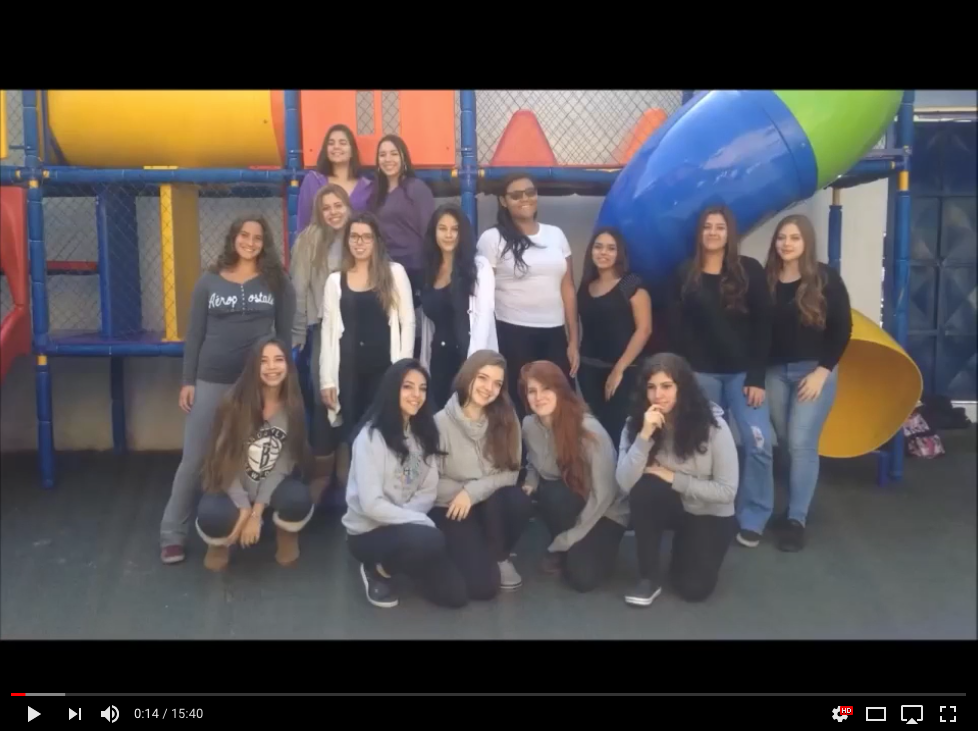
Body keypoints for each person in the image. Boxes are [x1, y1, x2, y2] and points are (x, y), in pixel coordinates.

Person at [160, 215, 296, 565]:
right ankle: (172, 534)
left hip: (257, 383)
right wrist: (188, 380)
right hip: (212, 378)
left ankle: (260, 521)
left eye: (257, 237)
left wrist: (281, 381)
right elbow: (195, 335)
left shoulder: (276, 280)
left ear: (264, 243)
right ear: (233, 238)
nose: (250, 242)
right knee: (194, 458)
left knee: (259, 455)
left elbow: (283, 336)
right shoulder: (209, 280)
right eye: (243, 235)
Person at [666, 204, 774, 549]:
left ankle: (754, 515)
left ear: (730, 234)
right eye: (707, 227)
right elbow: (675, 329)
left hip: (744, 377)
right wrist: (683, 377)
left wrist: (756, 376)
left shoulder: (750, 271)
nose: (713, 233)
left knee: (759, 444)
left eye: (720, 227)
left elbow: (764, 326)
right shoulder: (685, 273)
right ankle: (709, 512)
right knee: (701, 447)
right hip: (700, 377)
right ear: (699, 233)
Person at [342, 358, 468, 609]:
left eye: (422, 389)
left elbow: (426, 491)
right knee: (431, 539)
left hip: (406, 528)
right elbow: (371, 504)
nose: (416, 395)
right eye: (407, 387)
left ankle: (406, 558)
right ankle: (377, 569)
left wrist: (410, 521)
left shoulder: (422, 437)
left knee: (456, 595)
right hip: (368, 531)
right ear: (392, 389)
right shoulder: (370, 438)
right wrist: (418, 522)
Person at [615, 353, 739, 605]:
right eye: (651, 387)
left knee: (693, 589)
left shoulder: (713, 427)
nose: (658, 395)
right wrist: (644, 436)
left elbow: (727, 491)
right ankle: (648, 578)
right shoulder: (636, 424)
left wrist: (673, 477)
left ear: (682, 388)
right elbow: (625, 483)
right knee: (644, 489)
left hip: (708, 512)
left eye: (666, 386)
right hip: (672, 504)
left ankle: (685, 546)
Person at [764, 214, 853, 552]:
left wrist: (822, 371)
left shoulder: (825, 279)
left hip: (813, 372)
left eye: (794, 238)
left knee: (802, 443)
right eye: (781, 237)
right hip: (774, 373)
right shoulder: (766, 278)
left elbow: (842, 328)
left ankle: (796, 520)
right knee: (787, 441)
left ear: (807, 242)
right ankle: (792, 507)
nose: (786, 243)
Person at [195, 336, 314, 571]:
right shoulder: (234, 403)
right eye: (264, 361)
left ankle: (286, 537)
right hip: (232, 484)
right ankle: (220, 545)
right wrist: (244, 508)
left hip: (268, 486)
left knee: (297, 498)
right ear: (253, 367)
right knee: (212, 515)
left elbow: (282, 465)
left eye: (278, 359)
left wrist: (256, 512)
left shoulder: (293, 406)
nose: (272, 367)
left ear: (288, 365)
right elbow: (224, 462)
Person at [319, 211, 415, 489]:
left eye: (366, 237)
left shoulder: (394, 273)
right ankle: (357, 497)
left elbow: (408, 321)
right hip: (349, 371)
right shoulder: (335, 281)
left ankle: (388, 492)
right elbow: (328, 333)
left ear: (376, 241)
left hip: (385, 370)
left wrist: (404, 370)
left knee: (385, 432)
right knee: (353, 435)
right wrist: (327, 380)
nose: (359, 242)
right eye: (354, 237)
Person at [519, 360, 629, 592]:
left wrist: (565, 540)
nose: (539, 397)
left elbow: (605, 493)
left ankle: (580, 546)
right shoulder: (529, 426)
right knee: (552, 494)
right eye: (532, 391)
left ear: (560, 390)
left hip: (606, 511)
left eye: (546, 388)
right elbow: (534, 459)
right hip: (574, 498)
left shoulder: (588, 431)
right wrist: (531, 481)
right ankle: (571, 547)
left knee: (582, 579)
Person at [477, 173, 579, 419]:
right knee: (520, 405)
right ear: (503, 201)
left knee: (562, 405)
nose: (525, 199)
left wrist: (573, 340)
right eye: (516, 195)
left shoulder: (556, 235)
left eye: (530, 192)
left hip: (554, 333)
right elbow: (483, 295)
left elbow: (567, 287)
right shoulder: (492, 239)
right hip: (512, 333)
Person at [431, 350, 533, 596]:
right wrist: (461, 494)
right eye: (483, 378)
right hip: (451, 508)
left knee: (517, 500)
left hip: (490, 505)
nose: (489, 388)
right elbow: (421, 477)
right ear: (468, 376)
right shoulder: (438, 423)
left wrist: (472, 491)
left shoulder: (507, 418)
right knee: (483, 588)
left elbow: (511, 472)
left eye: (497, 383)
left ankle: (500, 555)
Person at [290, 183, 351, 494]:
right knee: (321, 395)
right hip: (321, 328)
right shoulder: (309, 240)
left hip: (354, 330)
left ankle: (346, 468)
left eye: (338, 205)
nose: (333, 212)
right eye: (326, 208)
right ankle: (321, 473)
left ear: (348, 207)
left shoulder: (359, 234)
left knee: (351, 396)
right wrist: (298, 332)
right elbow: (299, 289)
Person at [576, 226, 653, 442]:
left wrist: (619, 369)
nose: (603, 252)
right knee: (595, 433)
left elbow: (644, 329)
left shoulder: (631, 283)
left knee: (619, 431)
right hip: (589, 369)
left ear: (620, 253)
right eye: (598, 247)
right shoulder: (586, 285)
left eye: (611, 248)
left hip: (624, 371)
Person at [419, 203, 497, 409]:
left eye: (455, 229)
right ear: (434, 232)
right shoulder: (430, 270)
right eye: (442, 228)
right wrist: (424, 365)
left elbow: (483, 318)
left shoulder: (479, 267)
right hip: (438, 359)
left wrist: (472, 366)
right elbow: (429, 323)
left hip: (467, 358)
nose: (449, 235)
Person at [368, 134, 436, 308]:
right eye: (382, 155)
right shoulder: (376, 193)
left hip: (414, 269)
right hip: (385, 269)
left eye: (394, 154)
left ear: (403, 157)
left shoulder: (416, 188)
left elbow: (429, 230)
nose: (388, 159)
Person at [297, 124, 371, 230]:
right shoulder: (312, 181)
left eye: (342, 143)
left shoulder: (367, 187)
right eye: (331, 143)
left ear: (352, 151)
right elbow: (303, 222)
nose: (336, 147)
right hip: (320, 240)